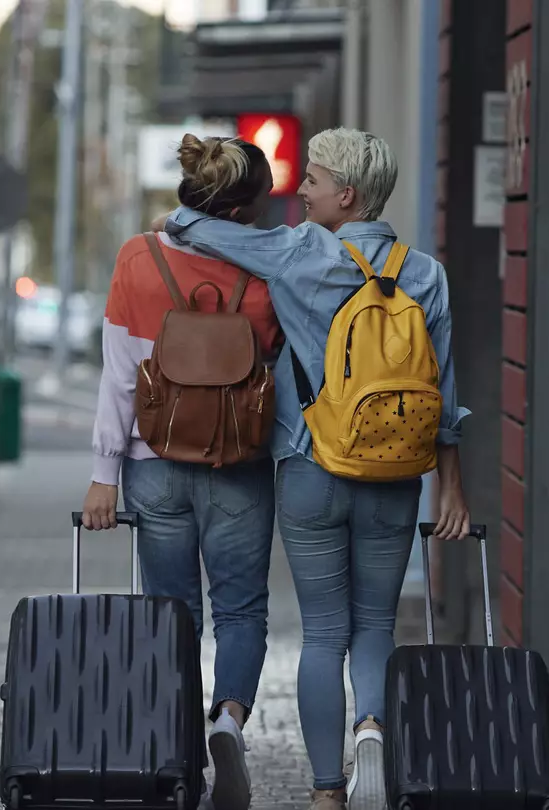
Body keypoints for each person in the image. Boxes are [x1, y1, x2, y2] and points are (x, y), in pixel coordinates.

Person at [162, 128, 472, 810]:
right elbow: (445, 397)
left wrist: (196, 187)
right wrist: (451, 487)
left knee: (324, 631)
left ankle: (328, 792)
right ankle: (372, 729)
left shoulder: (298, 251)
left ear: (347, 195)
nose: (299, 190)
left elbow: (189, 228)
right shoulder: (426, 273)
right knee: (376, 627)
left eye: (314, 179)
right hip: (398, 476)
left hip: (310, 467)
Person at [81, 134, 284, 810]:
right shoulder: (265, 276)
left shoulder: (136, 260)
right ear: (248, 204)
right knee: (242, 609)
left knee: (172, 614)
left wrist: (104, 472)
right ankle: (228, 720)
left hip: (152, 462)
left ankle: (178, 759)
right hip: (238, 465)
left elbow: (116, 377)